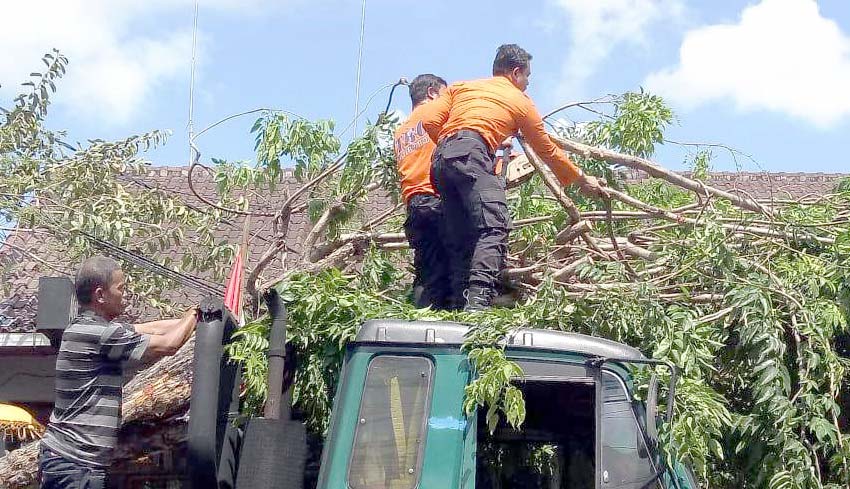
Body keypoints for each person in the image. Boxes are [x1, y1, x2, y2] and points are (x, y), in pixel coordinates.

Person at [420, 43, 607, 311]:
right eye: (527, 77)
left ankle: (457, 306)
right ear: (516, 73)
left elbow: (429, 121)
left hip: (440, 161)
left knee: (463, 235)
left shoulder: (461, 87)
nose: (528, 83)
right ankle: (477, 305)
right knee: (494, 226)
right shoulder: (520, 101)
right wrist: (580, 179)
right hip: (471, 154)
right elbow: (546, 150)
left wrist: (455, 147)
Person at [38, 255, 199, 488]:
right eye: (121, 288)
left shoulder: (93, 328)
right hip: (73, 466)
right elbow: (169, 344)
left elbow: (155, 328)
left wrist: (194, 319)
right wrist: (195, 313)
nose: (125, 294)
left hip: (78, 465)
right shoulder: (98, 334)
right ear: (100, 295)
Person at [393, 74, 452, 309]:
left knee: (426, 272)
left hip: (415, 207)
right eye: (445, 95)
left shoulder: (402, 131)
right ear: (431, 93)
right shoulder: (434, 115)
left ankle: (420, 319)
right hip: (435, 201)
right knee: (456, 266)